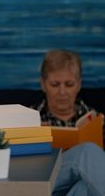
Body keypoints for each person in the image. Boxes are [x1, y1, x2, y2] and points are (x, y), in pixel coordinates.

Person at [33, 50, 105, 196]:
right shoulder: (30, 118)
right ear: (43, 84)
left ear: (79, 85)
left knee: (84, 187)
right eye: (55, 84)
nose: (62, 92)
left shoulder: (95, 118)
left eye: (69, 84)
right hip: (44, 185)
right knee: (87, 151)